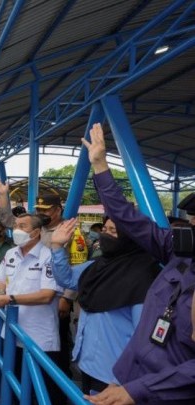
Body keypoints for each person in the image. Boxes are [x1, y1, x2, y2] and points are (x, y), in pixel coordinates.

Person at [82, 122, 195, 404]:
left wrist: (137, 391)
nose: (190, 230)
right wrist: (100, 166)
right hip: (129, 381)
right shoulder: (179, 253)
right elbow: (127, 219)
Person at [50, 217, 159, 394]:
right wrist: (56, 246)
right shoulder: (97, 265)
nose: (106, 235)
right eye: (105, 230)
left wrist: (120, 380)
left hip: (116, 376)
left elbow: (143, 336)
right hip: (87, 363)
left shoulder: (144, 277)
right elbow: (67, 278)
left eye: (113, 231)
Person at [0, 178, 75, 378]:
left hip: (56, 295)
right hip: (24, 307)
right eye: (39, 209)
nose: (41, 213)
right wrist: (3, 194)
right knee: (19, 368)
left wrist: (67, 297)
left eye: (45, 210)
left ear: (57, 210)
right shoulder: (30, 232)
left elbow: (75, 267)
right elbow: (8, 220)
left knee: (56, 351)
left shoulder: (68, 231)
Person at [0, 213, 65, 404]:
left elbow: (47, 295)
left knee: (36, 393)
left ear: (36, 233)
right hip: (10, 332)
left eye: (23, 226)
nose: (17, 230)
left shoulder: (48, 257)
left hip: (38, 338)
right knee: (10, 384)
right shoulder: (11, 254)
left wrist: (9, 299)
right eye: (16, 225)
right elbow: (3, 281)